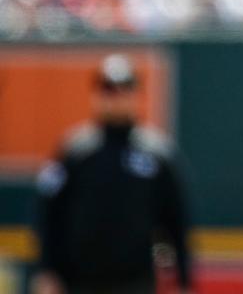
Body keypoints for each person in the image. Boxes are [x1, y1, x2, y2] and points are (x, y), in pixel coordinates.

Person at [32, 54, 194, 294]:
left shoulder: (158, 153)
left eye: (124, 88)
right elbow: (50, 214)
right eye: (108, 89)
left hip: (135, 281)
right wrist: (46, 269)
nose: (116, 97)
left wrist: (183, 281)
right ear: (96, 94)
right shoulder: (75, 150)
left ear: (136, 94)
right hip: (79, 281)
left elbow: (176, 219)